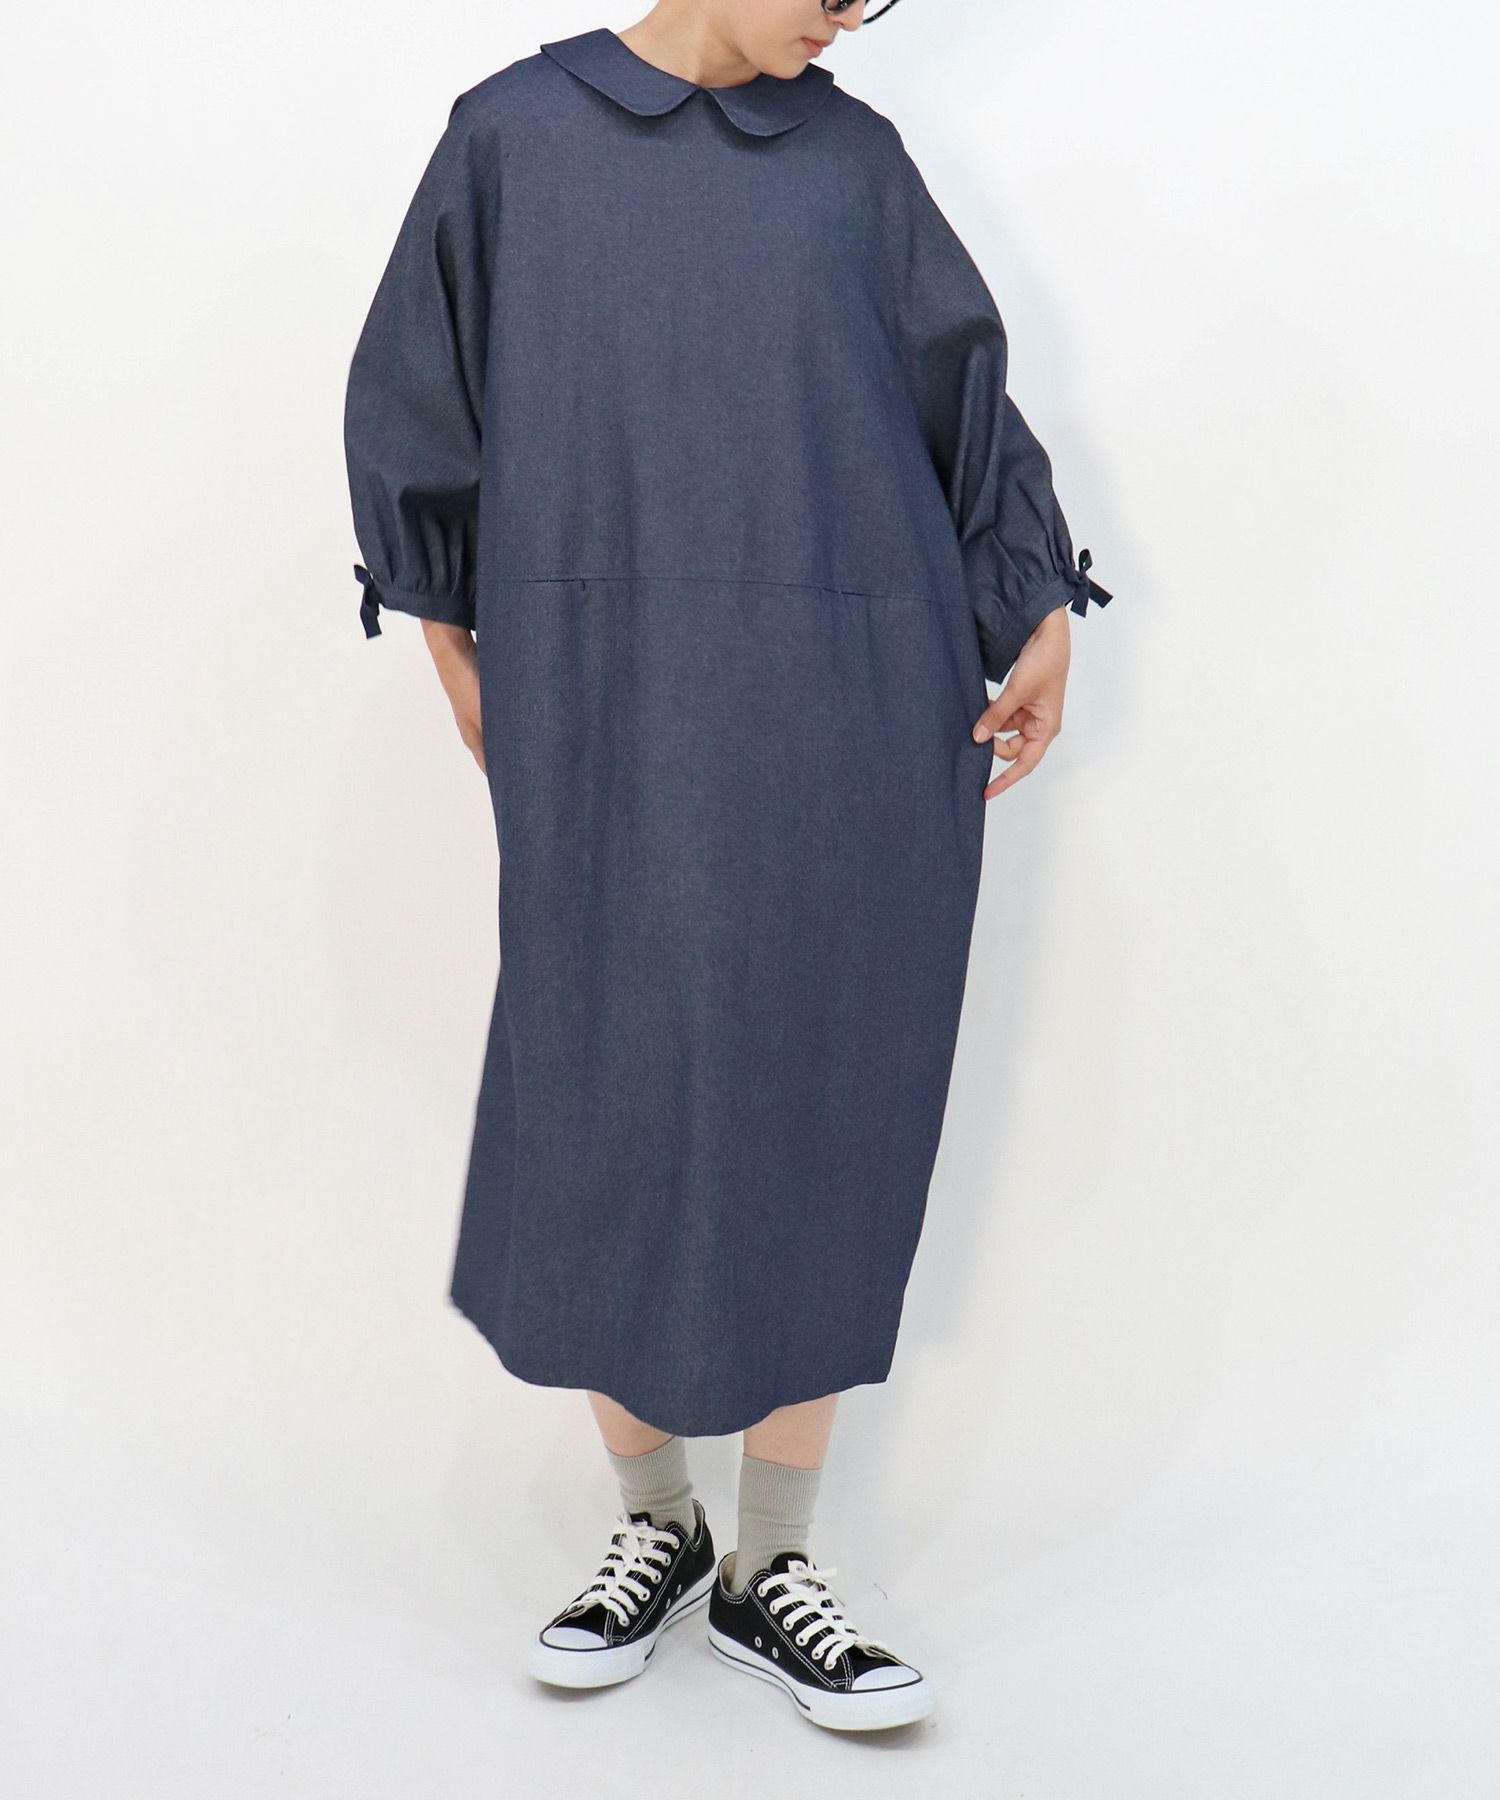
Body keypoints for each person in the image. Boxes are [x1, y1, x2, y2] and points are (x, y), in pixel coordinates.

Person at [342, 0, 1111, 1733]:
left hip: (855, 705)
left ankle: (774, 1565)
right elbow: (419, 402)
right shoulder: (515, 142)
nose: (847, 22)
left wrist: (1038, 605)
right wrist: (457, 641)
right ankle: (656, 1528)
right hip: (608, 698)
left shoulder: (852, 166)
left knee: (820, 1094)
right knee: (605, 1085)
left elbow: (964, 403)